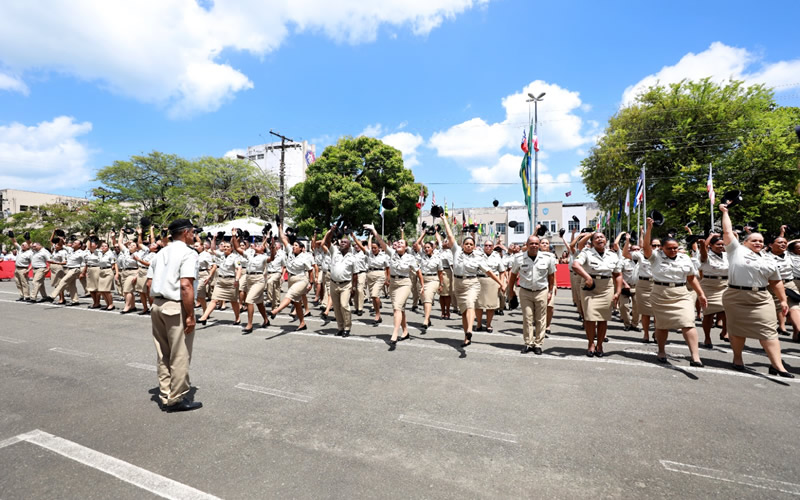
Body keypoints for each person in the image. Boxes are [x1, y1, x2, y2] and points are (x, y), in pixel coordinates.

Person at [719, 204, 793, 377]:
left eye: (760, 241)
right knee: (737, 330)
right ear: (745, 242)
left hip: (761, 298)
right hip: (736, 296)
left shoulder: (769, 259)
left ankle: (778, 366)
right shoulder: (736, 250)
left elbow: (776, 281)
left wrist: (783, 300)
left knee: (769, 330)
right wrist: (725, 212)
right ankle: (737, 359)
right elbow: (728, 232)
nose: (758, 243)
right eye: (754, 240)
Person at [146, 219, 202, 412]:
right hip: (175, 305)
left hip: (158, 304)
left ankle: (165, 393)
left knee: (163, 353)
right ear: (186, 232)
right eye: (192, 231)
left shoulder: (160, 253)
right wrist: (190, 315)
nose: (193, 235)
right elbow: (186, 285)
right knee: (180, 354)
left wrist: (154, 303)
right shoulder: (188, 253)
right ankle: (176, 398)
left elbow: (148, 283)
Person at [643, 218, 707, 367]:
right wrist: (649, 228)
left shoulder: (685, 258)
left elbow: (691, 278)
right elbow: (646, 247)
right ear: (662, 249)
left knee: (688, 322)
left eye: (675, 248)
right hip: (660, 293)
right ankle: (661, 351)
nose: (673, 251)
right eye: (669, 248)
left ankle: (695, 356)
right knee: (662, 325)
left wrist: (701, 294)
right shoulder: (655, 257)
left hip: (681, 293)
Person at [441, 217, 504, 347]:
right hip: (458, 284)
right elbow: (450, 235)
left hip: (472, 284)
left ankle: (470, 329)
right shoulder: (456, 251)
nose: (468, 246)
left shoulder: (478, 258)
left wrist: (501, 283)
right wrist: (444, 219)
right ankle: (466, 337)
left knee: (470, 305)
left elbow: (489, 272)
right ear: (463, 245)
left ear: (474, 247)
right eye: (467, 244)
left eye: (471, 244)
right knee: (464, 312)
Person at [365, 223, 423, 346]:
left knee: (397, 307)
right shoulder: (392, 253)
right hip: (393, 284)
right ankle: (405, 331)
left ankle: (395, 333)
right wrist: (374, 230)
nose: (399, 244)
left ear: (406, 247)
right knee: (400, 309)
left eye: (402, 243)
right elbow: (381, 242)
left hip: (405, 283)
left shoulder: (410, 258)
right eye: (398, 243)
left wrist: (422, 286)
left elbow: (418, 272)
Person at [571, 231, 622, 357]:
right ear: (592, 242)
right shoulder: (586, 253)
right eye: (597, 237)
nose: (600, 239)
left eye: (602, 237)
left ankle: (599, 344)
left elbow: (618, 274)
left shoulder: (613, 255)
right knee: (589, 318)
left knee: (603, 318)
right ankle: (590, 343)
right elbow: (575, 265)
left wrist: (618, 291)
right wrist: (587, 277)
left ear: (606, 240)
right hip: (590, 287)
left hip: (606, 287)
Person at [507, 234, 556, 354]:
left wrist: (550, 291)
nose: (534, 246)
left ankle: (538, 344)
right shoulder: (519, 258)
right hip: (525, 292)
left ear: (539, 245)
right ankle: (528, 343)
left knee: (540, 319)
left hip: (541, 291)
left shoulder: (548, 258)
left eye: (536, 243)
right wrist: (511, 291)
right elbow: (513, 276)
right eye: (531, 244)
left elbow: (551, 276)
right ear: (527, 245)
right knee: (527, 318)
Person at [268, 222, 315, 331]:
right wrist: (279, 226)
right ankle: (302, 323)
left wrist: (311, 283)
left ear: (301, 248)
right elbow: (283, 238)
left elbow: (310, 271)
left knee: (290, 295)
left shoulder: (305, 257)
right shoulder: (290, 251)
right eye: (293, 245)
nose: (293, 247)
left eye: (296, 246)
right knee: (297, 303)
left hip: (301, 279)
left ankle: (276, 310)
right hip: (291, 279)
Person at [198, 234, 243, 325]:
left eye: (227, 247)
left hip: (230, 282)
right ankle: (204, 316)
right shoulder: (221, 255)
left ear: (231, 248)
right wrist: (214, 238)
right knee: (214, 299)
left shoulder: (235, 257)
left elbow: (239, 269)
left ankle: (237, 318)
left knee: (233, 301)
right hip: (220, 281)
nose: (225, 248)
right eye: (224, 246)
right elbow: (213, 250)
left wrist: (237, 279)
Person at [322, 227, 357, 337]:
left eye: (344, 242)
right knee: (336, 307)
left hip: (346, 284)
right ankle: (340, 327)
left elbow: (355, 274)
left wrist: (354, 288)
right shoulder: (334, 252)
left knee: (344, 305)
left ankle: (347, 327)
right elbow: (327, 242)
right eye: (341, 242)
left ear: (349, 246)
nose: (342, 243)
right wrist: (331, 231)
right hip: (333, 283)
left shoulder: (352, 258)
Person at [766, 233, 800, 337]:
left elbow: (793, 243)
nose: (783, 244)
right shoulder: (765, 256)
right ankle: (770, 337)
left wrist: (787, 240)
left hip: (790, 283)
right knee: (779, 309)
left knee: (795, 306)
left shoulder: (789, 254)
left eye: (785, 243)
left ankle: (798, 331)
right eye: (780, 242)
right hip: (773, 285)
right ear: (771, 245)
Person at [697, 234, 729, 346]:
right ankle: (707, 337)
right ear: (711, 245)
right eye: (718, 244)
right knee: (708, 313)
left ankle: (725, 331)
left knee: (727, 310)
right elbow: (703, 253)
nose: (721, 246)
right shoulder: (706, 255)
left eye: (722, 244)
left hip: (724, 285)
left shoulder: (727, 255)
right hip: (709, 286)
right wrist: (704, 242)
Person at [235, 237, 270, 334]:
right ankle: (266, 320)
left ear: (263, 250)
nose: (258, 245)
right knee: (259, 302)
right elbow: (237, 248)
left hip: (258, 279)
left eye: (260, 246)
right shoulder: (250, 255)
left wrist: (273, 247)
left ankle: (249, 324)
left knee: (249, 300)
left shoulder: (264, 256)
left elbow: (272, 258)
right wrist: (234, 237)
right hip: (249, 279)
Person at [412, 233, 443, 333]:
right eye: (425, 247)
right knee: (424, 300)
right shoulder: (422, 255)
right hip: (421, 280)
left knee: (428, 299)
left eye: (428, 247)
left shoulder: (438, 257)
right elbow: (416, 244)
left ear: (433, 248)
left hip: (433, 280)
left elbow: (440, 273)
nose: (426, 249)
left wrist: (441, 284)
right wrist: (424, 233)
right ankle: (428, 319)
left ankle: (425, 320)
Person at [476, 239, 504, 333]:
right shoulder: (478, 255)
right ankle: (479, 324)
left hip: (492, 281)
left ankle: (488, 324)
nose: (488, 247)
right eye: (486, 245)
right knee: (478, 305)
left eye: (490, 245)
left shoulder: (497, 256)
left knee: (491, 305)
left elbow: (502, 271)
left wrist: (501, 283)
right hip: (480, 280)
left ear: (493, 247)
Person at [49, 239, 86, 305]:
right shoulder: (70, 250)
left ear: (79, 245)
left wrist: (83, 272)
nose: (73, 243)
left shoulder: (82, 253)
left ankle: (52, 296)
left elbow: (86, 262)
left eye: (75, 243)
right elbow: (61, 244)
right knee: (72, 285)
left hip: (75, 269)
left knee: (63, 281)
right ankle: (75, 300)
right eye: (73, 242)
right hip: (69, 269)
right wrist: (60, 238)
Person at [618, 236, 641, 333]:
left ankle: (635, 324)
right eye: (634, 249)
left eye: (638, 249)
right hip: (625, 286)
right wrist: (624, 283)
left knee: (637, 307)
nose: (636, 251)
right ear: (630, 251)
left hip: (638, 287)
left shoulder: (643, 261)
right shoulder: (624, 261)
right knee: (624, 306)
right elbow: (618, 274)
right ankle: (627, 324)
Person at [365, 234, 389, 324]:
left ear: (379, 248)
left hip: (380, 274)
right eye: (372, 248)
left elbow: (387, 268)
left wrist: (387, 279)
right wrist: (370, 238)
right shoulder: (370, 254)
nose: (373, 249)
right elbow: (368, 245)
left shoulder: (384, 255)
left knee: (375, 295)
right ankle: (377, 313)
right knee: (373, 297)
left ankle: (377, 314)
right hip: (370, 274)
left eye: (375, 248)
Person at [265, 237, 286, 309]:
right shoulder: (268, 254)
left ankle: (269, 300)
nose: (272, 247)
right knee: (276, 289)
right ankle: (276, 304)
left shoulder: (281, 255)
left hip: (277, 273)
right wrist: (266, 237)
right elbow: (264, 245)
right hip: (269, 273)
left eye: (274, 246)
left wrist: (282, 276)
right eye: (271, 246)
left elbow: (284, 266)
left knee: (269, 282)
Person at [11, 235, 33, 301]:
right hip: (17, 268)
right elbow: (14, 242)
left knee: (24, 283)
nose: (22, 246)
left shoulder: (30, 253)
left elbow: (33, 263)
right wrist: (12, 236)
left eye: (24, 245)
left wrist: (28, 270)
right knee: (18, 283)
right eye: (22, 245)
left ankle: (27, 296)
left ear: (27, 246)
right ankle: (21, 295)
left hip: (23, 269)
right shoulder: (20, 250)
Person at [48, 236, 68, 304]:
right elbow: (51, 241)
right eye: (55, 245)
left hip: (59, 267)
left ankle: (62, 299)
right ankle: (60, 297)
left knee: (59, 284)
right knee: (56, 284)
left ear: (60, 246)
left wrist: (55, 262)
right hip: (53, 268)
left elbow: (65, 262)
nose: (55, 246)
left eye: (57, 245)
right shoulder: (55, 251)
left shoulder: (63, 252)